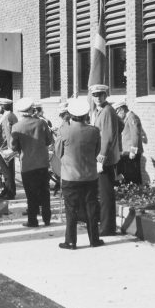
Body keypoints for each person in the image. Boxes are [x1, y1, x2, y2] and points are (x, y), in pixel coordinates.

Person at [55, 97, 103, 250]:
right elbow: (97, 152)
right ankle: (94, 239)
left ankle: (71, 241)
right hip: (90, 176)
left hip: (70, 176)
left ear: (70, 113)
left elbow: (58, 153)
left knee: (71, 210)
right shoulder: (94, 131)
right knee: (91, 208)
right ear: (86, 114)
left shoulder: (64, 130)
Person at [11, 98, 54, 228]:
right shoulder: (41, 123)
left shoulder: (16, 126)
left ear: (20, 112)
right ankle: (47, 219)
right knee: (45, 192)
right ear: (31, 109)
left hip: (27, 164)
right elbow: (49, 141)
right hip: (42, 163)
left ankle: (33, 220)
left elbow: (13, 147)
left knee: (31, 195)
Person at [90, 84, 122, 236]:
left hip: (106, 159)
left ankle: (107, 228)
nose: (97, 98)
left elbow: (107, 137)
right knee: (103, 192)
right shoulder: (100, 110)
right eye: (95, 95)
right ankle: (106, 224)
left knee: (106, 194)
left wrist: (101, 158)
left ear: (106, 95)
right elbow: (120, 126)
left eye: (100, 95)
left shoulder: (107, 111)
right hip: (103, 156)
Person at [116, 102, 144, 185]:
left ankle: (136, 191)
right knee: (128, 173)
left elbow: (135, 134)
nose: (117, 115)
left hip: (131, 152)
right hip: (126, 151)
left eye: (117, 112)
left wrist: (133, 151)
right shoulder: (127, 117)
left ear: (122, 109)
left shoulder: (132, 117)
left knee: (134, 174)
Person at [0, 98, 17, 200]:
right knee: (6, 171)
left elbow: (8, 134)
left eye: (1, 106)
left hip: (5, 148)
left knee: (7, 172)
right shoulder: (9, 116)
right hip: (4, 147)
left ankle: (10, 192)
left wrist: (10, 149)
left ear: (3, 107)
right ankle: (7, 189)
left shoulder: (7, 117)